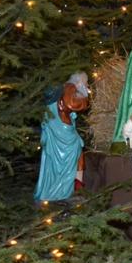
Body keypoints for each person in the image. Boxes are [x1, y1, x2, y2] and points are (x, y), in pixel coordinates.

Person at [34, 72, 90, 202]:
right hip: (60, 129)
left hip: (63, 127)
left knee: (75, 153)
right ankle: (59, 192)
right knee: (65, 157)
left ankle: (72, 188)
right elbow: (73, 104)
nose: (86, 86)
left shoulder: (69, 89)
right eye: (85, 82)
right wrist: (83, 95)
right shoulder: (69, 88)